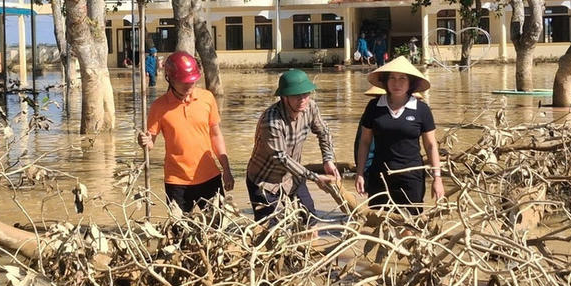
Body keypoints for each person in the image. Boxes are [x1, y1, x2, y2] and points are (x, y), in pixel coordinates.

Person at [138, 51, 234, 212]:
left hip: (210, 177)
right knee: (178, 233)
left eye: (193, 81)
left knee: (217, 228)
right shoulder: (159, 107)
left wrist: (227, 170)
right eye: (183, 82)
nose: (189, 85)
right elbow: (150, 144)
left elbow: (216, 135)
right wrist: (144, 143)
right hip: (176, 182)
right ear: (170, 79)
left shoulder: (207, 98)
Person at [245, 69, 339, 222]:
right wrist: (315, 178)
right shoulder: (271, 121)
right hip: (264, 181)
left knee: (310, 219)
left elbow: (324, 132)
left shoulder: (311, 107)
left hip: (293, 176)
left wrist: (328, 160)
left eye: (306, 94)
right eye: (296, 95)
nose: (302, 99)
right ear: (284, 97)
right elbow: (281, 159)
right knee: (269, 230)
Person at [354, 55, 445, 212]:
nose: (397, 83)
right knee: (379, 223)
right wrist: (360, 173)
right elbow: (364, 142)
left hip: (411, 176)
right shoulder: (374, 107)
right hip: (380, 175)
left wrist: (437, 178)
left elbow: (430, 146)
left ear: (410, 82)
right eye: (393, 78)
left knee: (410, 225)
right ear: (385, 81)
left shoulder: (422, 110)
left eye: (402, 78)